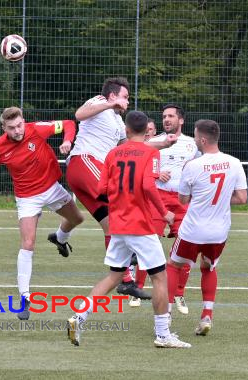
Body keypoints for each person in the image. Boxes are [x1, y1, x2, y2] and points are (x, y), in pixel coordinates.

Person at [66, 111, 191, 349]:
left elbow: (101, 188)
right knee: (159, 277)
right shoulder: (151, 152)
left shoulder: (112, 154)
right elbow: (148, 185)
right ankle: (163, 335)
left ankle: (79, 317)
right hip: (140, 225)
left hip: (118, 224)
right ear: (148, 131)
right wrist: (164, 212)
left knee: (114, 276)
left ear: (125, 130)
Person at [0, 106, 84, 320]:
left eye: (19, 125)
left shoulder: (37, 129)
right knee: (28, 244)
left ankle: (60, 238)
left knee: (78, 218)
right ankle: (24, 297)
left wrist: (67, 141)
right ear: (3, 128)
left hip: (52, 188)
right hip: (27, 198)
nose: (17, 131)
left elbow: (70, 124)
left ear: (23, 121)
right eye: (11, 128)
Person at [67, 77, 176, 300]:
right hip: (85, 162)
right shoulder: (100, 102)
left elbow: (129, 147)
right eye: (125, 97)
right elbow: (79, 115)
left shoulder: (119, 124)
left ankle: (125, 280)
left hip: (91, 171)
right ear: (113, 95)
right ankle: (134, 249)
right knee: (121, 194)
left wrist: (162, 142)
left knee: (110, 225)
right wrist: (109, 104)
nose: (127, 102)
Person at [167, 119, 247, 336]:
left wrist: (202, 194)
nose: (194, 140)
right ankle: (206, 316)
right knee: (209, 267)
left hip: (193, 230)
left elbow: (183, 200)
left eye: (195, 136)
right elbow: (241, 198)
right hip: (219, 231)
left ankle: (165, 317)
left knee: (173, 266)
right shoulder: (234, 162)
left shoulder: (193, 165)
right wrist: (218, 197)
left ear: (202, 139)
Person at [130, 104, 200, 310]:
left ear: (181, 120)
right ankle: (138, 288)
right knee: (149, 241)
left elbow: (197, 169)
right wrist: (156, 174)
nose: (167, 119)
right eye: (164, 116)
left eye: (171, 116)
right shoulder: (152, 142)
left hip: (182, 200)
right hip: (157, 197)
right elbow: (140, 170)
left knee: (187, 245)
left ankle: (179, 293)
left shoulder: (191, 144)